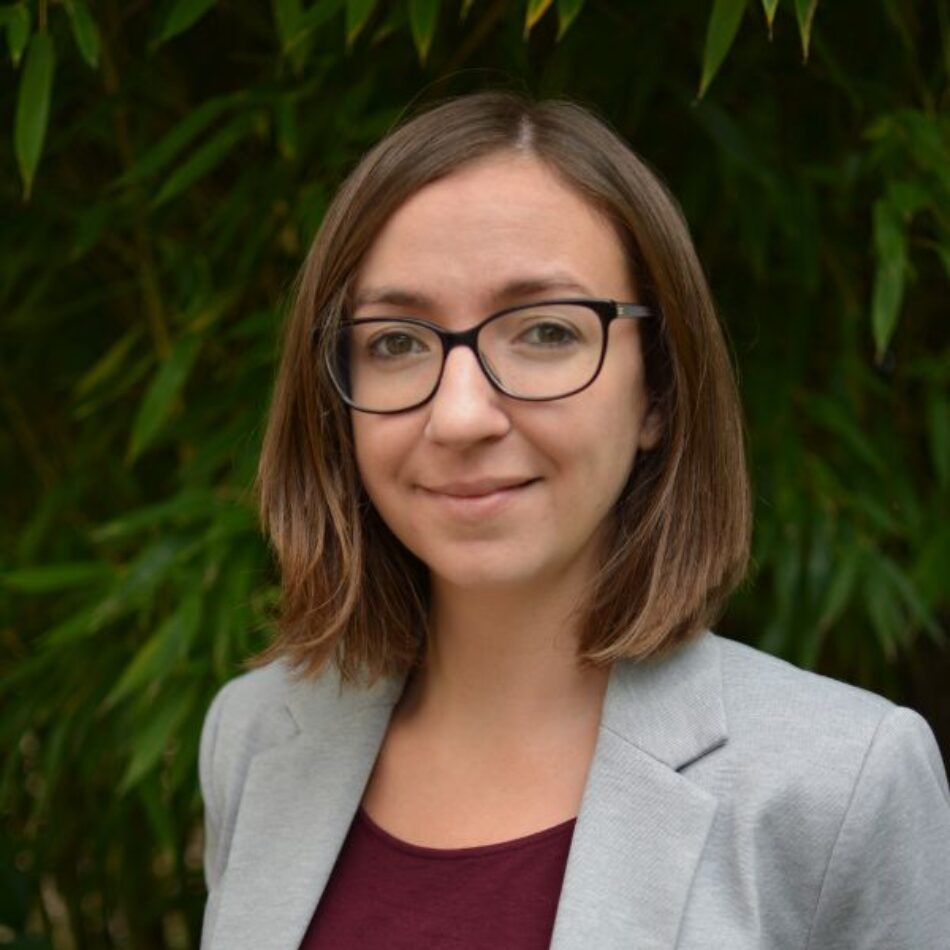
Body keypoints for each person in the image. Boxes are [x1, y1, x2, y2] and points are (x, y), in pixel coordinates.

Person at [198, 93, 950, 950]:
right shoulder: (254, 735)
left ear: (658, 391)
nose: (461, 416)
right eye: (397, 342)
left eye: (547, 331)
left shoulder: (839, 783)